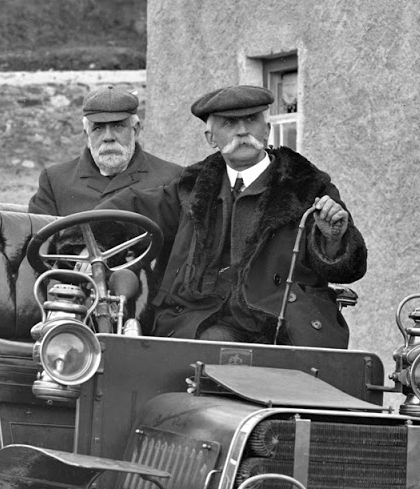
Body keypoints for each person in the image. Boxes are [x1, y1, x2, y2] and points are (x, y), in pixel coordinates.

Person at [148, 84, 366, 347]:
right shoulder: (192, 186)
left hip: (287, 324)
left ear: (267, 130)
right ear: (210, 137)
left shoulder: (308, 186)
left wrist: (334, 239)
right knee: (208, 349)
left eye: (251, 120)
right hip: (208, 319)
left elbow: (348, 267)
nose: (242, 131)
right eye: (229, 123)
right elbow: (136, 209)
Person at [29, 86, 182, 218]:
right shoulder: (55, 181)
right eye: (98, 128)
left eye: (118, 126)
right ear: (87, 135)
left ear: (135, 131)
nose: (108, 138)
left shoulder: (171, 179)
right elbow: (38, 243)